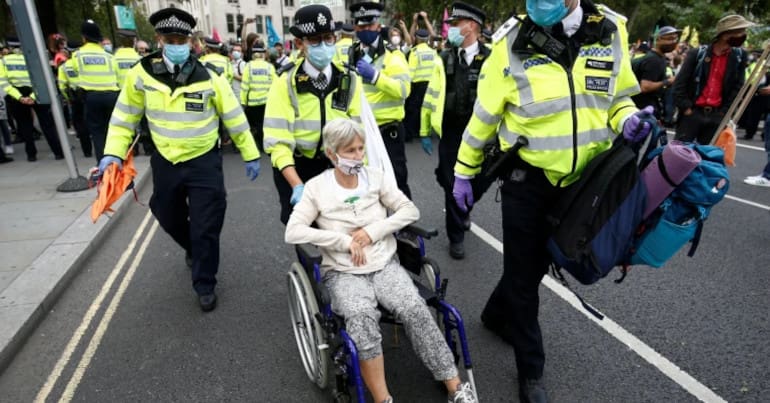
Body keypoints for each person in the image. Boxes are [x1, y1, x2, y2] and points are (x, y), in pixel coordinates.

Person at [451, 0, 654, 401]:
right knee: (526, 279)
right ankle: (531, 372)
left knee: (538, 264)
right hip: (528, 181)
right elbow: (485, 116)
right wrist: (462, 171)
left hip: (587, 181)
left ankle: (495, 314)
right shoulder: (511, 41)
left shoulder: (610, 31)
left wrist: (627, 118)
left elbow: (618, 97)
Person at [285, 118, 476, 403]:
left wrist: (372, 232)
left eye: (361, 148)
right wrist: (344, 240)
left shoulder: (375, 177)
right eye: (350, 150)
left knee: (415, 309)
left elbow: (408, 210)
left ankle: (456, 387)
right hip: (343, 272)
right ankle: (382, 398)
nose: (358, 156)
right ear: (331, 153)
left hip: (385, 265)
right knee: (361, 321)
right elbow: (294, 230)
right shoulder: (316, 188)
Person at [99, 8, 261, 312]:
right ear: (160, 39)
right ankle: (192, 247)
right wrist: (113, 153)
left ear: (191, 41)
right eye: (170, 38)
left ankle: (205, 282)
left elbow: (234, 117)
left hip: (203, 162)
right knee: (165, 213)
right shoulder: (141, 73)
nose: (176, 43)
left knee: (206, 224)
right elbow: (123, 119)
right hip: (166, 159)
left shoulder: (209, 77)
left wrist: (250, 153)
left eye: (181, 38)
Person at [263, 4, 363, 225]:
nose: (324, 45)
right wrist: (297, 185)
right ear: (300, 43)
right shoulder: (285, 83)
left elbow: (358, 130)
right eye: (315, 40)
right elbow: (278, 142)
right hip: (298, 165)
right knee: (303, 226)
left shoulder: (348, 79)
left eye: (328, 38)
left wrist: (357, 168)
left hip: (336, 164)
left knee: (342, 223)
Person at [420, 2, 490, 260]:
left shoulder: (492, 59)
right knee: (451, 184)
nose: (451, 29)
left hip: (481, 133)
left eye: (456, 24)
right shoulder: (444, 57)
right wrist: (425, 130)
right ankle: (456, 236)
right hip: (451, 132)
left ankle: (465, 206)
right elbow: (432, 94)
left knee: (479, 182)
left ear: (471, 26)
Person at [349, 1, 412, 198]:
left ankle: (404, 224)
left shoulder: (394, 54)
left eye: (369, 25)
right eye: (361, 26)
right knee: (365, 182)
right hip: (361, 132)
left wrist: (376, 77)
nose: (365, 29)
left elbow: (403, 90)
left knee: (397, 181)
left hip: (388, 130)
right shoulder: (352, 54)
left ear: (378, 25)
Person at [673, 14, 753, 145]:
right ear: (725, 34)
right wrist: (687, 109)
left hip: (717, 116)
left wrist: (724, 113)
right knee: (678, 155)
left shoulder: (739, 56)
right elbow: (680, 83)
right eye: (740, 32)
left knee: (707, 158)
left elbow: (738, 87)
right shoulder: (697, 54)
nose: (744, 35)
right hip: (693, 113)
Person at [0, 36, 64, 162]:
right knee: (46, 124)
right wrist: (33, 96)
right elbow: (41, 79)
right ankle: (58, 152)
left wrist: (20, 97)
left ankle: (31, 155)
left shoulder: (3, 61)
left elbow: (3, 83)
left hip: (17, 95)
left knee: (25, 125)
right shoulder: (33, 58)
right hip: (36, 92)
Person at [71, 19, 120, 162]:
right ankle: (118, 159)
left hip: (92, 97)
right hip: (112, 95)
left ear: (84, 37)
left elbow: (75, 71)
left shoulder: (78, 55)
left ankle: (103, 162)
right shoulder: (109, 56)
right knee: (113, 130)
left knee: (97, 132)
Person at [631, 26, 681, 119]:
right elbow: (645, 86)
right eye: (670, 39)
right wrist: (668, 81)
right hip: (641, 109)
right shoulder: (653, 60)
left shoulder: (659, 58)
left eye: (675, 38)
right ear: (658, 40)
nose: (673, 42)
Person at [57, 40, 92, 158]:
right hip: (89, 95)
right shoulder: (87, 63)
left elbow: (62, 86)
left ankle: (87, 151)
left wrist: (68, 98)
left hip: (75, 97)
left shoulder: (64, 66)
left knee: (80, 124)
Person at [240, 43, 276, 152]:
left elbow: (245, 86)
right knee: (267, 125)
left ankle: (260, 145)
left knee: (257, 125)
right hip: (267, 102)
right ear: (263, 54)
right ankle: (268, 145)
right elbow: (274, 85)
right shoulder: (270, 67)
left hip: (253, 103)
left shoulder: (248, 66)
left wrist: (243, 102)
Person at [403, 29, 437, 144]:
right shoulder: (433, 52)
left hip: (417, 85)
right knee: (426, 108)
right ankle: (424, 130)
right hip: (430, 84)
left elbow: (411, 71)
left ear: (417, 39)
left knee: (413, 109)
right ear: (427, 39)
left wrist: (408, 84)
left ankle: (411, 133)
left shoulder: (415, 52)